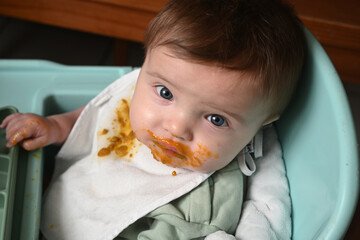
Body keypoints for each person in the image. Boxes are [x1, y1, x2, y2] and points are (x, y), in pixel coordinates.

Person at [1, 0, 306, 239]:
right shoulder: (148, 88)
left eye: (215, 119)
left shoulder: (201, 208)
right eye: (165, 93)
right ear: (144, 64)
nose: (175, 127)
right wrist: (56, 126)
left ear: (262, 124)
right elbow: (98, 117)